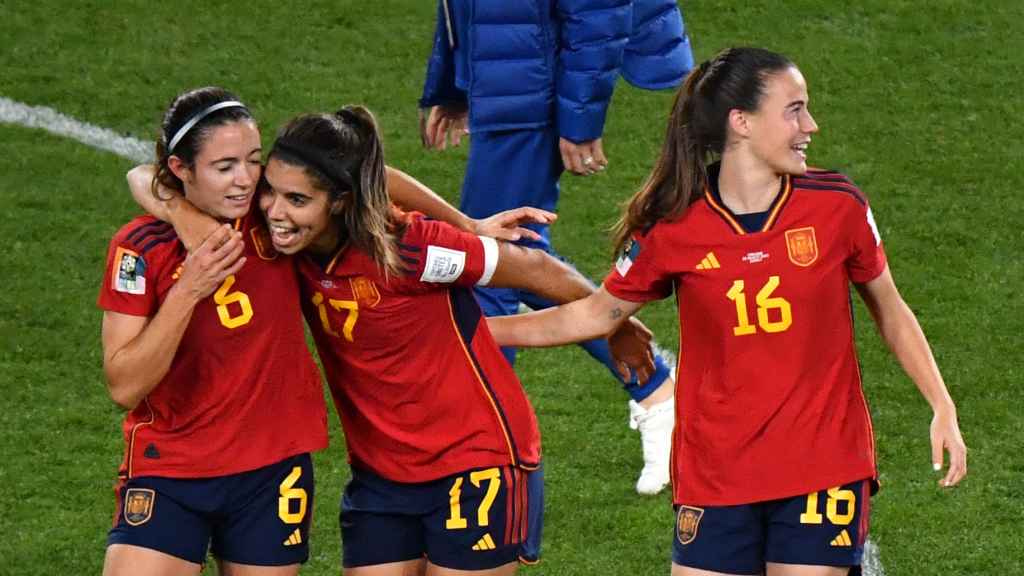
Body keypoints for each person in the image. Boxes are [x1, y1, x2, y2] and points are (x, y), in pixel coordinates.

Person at [486, 47, 969, 576]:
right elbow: (594, 316)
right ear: (741, 122)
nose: (811, 124)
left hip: (821, 463)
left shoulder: (838, 207)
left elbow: (890, 309)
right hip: (715, 469)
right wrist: (476, 332)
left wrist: (941, 402)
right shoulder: (675, 225)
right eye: (794, 109)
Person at [129, 104, 654, 575]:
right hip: (381, 478)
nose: (270, 210)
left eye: (295, 199)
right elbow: (144, 174)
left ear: (337, 201)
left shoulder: (413, 250)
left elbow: (535, 268)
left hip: (473, 461)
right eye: (270, 190)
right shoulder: (287, 239)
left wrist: (618, 324)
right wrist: (181, 213)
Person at [418, 0, 696, 495]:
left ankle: (480, 450)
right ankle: (652, 385)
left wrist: (579, 116)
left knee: (491, 267)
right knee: (509, 258)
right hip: (509, 77)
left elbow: (599, 9)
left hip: (532, 83)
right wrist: (460, 79)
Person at [98, 87, 329, 575]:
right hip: (171, 469)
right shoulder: (140, 248)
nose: (245, 180)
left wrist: (465, 225)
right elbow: (125, 385)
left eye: (252, 160)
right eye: (224, 167)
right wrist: (189, 290)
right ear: (181, 170)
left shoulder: (276, 222)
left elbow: (365, 175)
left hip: (271, 469)